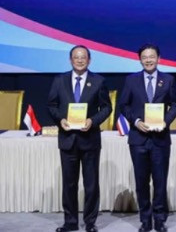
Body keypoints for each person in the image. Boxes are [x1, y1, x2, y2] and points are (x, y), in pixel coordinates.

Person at [47, 45, 111, 232]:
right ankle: (70, 222)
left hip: (90, 139)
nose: (80, 60)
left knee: (91, 184)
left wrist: (93, 120)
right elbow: (51, 105)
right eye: (76, 57)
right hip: (67, 139)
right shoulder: (59, 80)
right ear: (70, 60)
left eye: (83, 57)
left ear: (89, 60)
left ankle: (90, 223)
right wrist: (61, 120)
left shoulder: (98, 81)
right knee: (69, 184)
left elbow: (107, 107)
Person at [117, 44, 176, 232]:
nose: (148, 60)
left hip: (160, 139)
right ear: (140, 59)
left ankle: (159, 219)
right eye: (144, 57)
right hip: (138, 138)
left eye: (152, 56)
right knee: (141, 182)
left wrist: (165, 122)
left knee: (160, 181)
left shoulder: (168, 80)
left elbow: (175, 105)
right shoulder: (131, 80)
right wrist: (136, 122)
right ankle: (145, 219)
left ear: (159, 58)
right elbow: (124, 105)